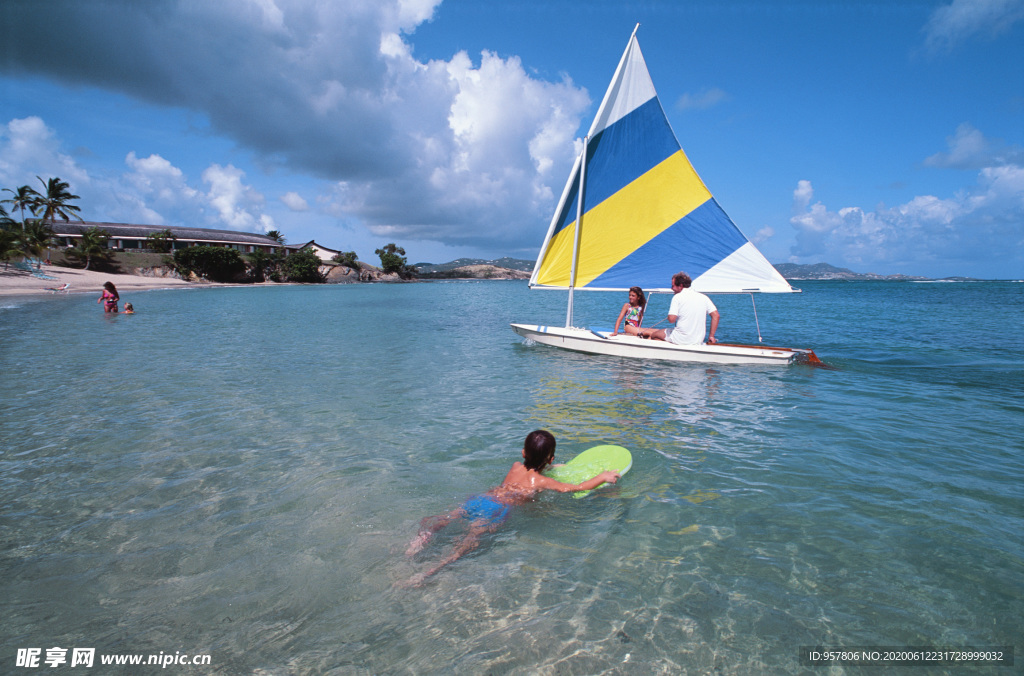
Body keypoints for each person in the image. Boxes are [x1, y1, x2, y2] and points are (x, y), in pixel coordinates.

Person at [403, 430, 620, 585]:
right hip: (498, 510)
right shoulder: (542, 481)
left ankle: (417, 544)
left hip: (482, 499)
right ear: (551, 458)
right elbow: (574, 488)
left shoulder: (516, 466)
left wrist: (550, 465)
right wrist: (602, 477)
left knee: (449, 517)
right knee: (468, 543)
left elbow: (536, 466)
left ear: (524, 453)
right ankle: (433, 570)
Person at [648, 272, 719, 345]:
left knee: (654, 335)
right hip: (698, 340)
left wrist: (670, 316)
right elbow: (716, 316)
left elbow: (671, 320)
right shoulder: (704, 297)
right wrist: (711, 336)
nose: (671, 288)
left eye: (673, 286)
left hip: (681, 339)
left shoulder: (677, 297)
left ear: (680, 286)